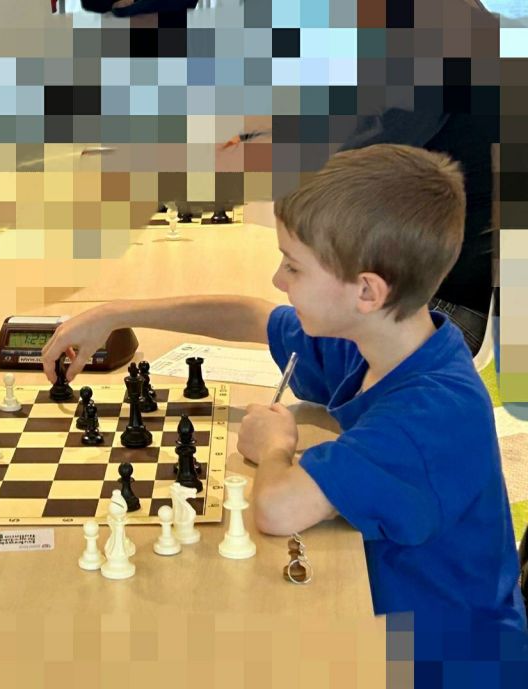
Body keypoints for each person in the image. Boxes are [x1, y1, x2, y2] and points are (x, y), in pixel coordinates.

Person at [41, 144, 527, 662]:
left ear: (366, 291)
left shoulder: (431, 415)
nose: (277, 280)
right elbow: (252, 316)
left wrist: (274, 447)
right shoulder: (373, 339)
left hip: (450, 658)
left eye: (293, 267)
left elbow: (278, 508)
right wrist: (113, 314)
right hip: (391, 615)